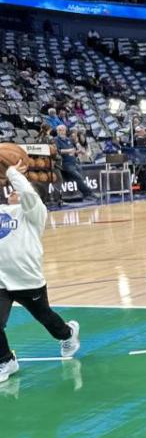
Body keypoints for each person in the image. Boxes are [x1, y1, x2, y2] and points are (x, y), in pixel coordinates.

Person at [0, 158, 81, 382]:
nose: (11, 193)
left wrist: (13, 173)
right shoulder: (2, 210)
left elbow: (27, 193)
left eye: (15, 191)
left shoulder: (35, 213)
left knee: (46, 319)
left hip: (27, 280)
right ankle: (6, 361)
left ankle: (68, 334)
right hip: (2, 281)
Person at [53, 123, 95, 201]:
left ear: (65, 131)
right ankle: (89, 193)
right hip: (65, 164)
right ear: (57, 131)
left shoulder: (68, 140)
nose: (61, 132)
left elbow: (73, 150)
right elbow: (56, 151)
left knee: (80, 177)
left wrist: (77, 152)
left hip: (74, 162)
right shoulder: (55, 140)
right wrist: (68, 151)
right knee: (78, 177)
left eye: (63, 130)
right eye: (59, 130)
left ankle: (85, 194)